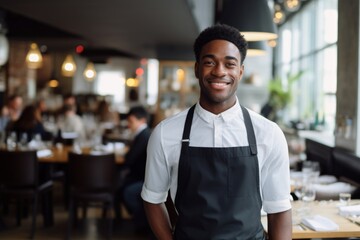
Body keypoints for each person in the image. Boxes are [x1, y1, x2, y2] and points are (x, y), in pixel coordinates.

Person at [141, 24, 292, 240]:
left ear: (240, 71)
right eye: (210, 62)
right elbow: (152, 199)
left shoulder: (268, 133)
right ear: (196, 69)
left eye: (229, 64)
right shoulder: (165, 133)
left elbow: (279, 209)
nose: (220, 71)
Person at [114, 106, 151, 233]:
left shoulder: (144, 135)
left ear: (142, 120)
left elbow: (130, 159)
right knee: (120, 186)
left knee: (126, 190)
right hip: (139, 175)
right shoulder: (142, 134)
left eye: (131, 121)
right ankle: (138, 221)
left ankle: (143, 224)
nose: (129, 125)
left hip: (144, 178)